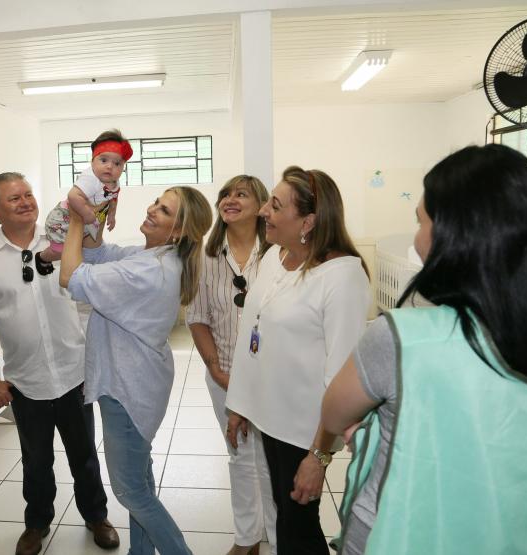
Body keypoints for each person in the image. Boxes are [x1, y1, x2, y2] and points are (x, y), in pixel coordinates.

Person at [320, 144, 527, 555]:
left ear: (455, 236)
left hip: (404, 535)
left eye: (421, 221)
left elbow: (333, 413)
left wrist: (368, 427)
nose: (416, 240)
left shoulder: (402, 338)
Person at [0, 172, 118, 555]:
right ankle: (36, 524)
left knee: (84, 454)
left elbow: (90, 292)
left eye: (28, 194)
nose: (26, 202)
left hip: (73, 374)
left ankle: (96, 515)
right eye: (14, 198)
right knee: (35, 460)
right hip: (24, 381)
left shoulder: (64, 243)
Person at [60, 186, 214, 555]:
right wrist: (96, 214)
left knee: (130, 491)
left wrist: (76, 221)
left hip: (127, 390)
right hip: (137, 384)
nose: (151, 210)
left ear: (178, 231)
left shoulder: (150, 270)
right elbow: (98, 253)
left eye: (163, 210)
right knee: (139, 481)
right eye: (156, 203)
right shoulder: (152, 257)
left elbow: (70, 276)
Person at [225, 166, 371, 555]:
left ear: (307, 221)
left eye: (275, 205)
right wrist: (241, 403)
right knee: (286, 518)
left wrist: (319, 457)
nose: (263, 212)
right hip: (271, 418)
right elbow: (253, 334)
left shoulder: (342, 278)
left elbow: (343, 379)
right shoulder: (277, 257)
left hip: (305, 432)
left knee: (299, 527)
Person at [185, 175, 277, 555]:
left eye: (241, 194)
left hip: (273, 376)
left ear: (261, 206)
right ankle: (247, 538)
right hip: (223, 372)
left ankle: (275, 534)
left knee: (273, 457)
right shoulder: (205, 258)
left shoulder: (279, 256)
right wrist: (215, 369)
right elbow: (197, 317)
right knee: (239, 453)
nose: (230, 199)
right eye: (225, 193)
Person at [36, 130, 131, 273]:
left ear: (123, 168)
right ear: (92, 161)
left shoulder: (113, 182)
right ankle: (42, 258)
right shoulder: (90, 178)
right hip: (62, 221)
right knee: (62, 252)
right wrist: (87, 214)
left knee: (77, 249)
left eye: (117, 163)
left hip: (84, 222)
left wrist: (112, 215)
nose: (110, 166)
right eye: (104, 160)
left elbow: (113, 198)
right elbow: (73, 196)